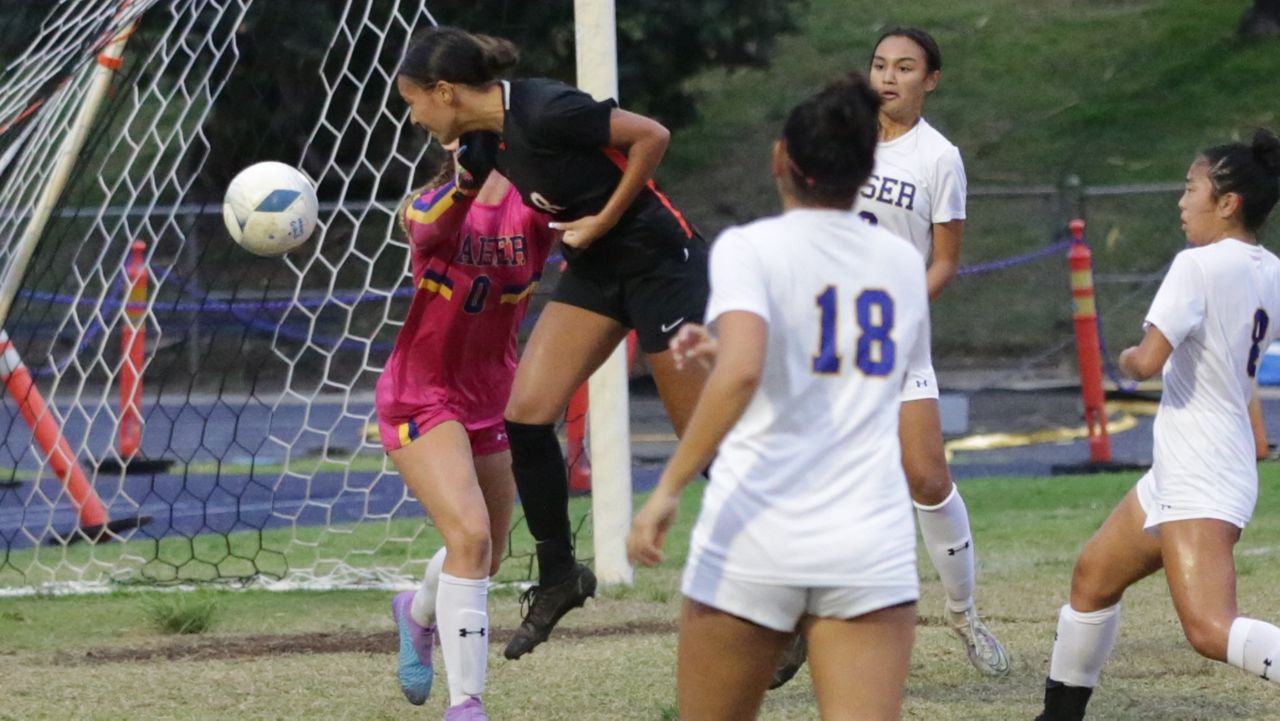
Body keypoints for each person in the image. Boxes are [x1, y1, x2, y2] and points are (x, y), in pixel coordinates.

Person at [396, 26, 712, 660]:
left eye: (413, 102)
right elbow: (437, 217)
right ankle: (560, 575)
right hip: (597, 271)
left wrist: (605, 217)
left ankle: (791, 604)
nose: (413, 116)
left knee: (708, 448)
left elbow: (653, 135)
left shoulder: (545, 108)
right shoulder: (483, 141)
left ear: (446, 91)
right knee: (527, 416)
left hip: (660, 266)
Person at [627, 73, 929, 721]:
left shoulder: (748, 246)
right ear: (866, 169)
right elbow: (849, 365)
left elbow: (739, 372)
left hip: (759, 530)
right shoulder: (902, 263)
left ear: (780, 159)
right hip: (867, 536)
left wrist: (667, 488)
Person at [770, 27, 1010, 688]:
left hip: (893, 334)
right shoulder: (839, 141)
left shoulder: (939, 158)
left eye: (905, 67)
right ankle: (794, 625)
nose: (889, 77)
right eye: (880, 64)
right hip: (826, 336)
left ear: (930, 79)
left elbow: (945, 261)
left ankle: (964, 614)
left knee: (927, 475)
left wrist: (899, 304)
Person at [1034, 129, 1280, 721]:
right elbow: (1236, 368)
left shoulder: (1196, 265)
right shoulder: (1270, 269)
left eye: (1190, 187)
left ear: (1227, 202)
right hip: (1190, 467)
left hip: (1200, 472)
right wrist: (1257, 437)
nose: (1180, 201)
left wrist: (1123, 359)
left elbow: (1146, 362)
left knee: (1208, 629)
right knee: (1093, 578)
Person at [382, 142, 555, 721]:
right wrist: (466, 178)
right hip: (423, 395)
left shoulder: (535, 209)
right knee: (471, 539)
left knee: (488, 554)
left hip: (493, 395)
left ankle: (418, 610)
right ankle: (466, 707)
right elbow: (426, 225)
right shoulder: (430, 206)